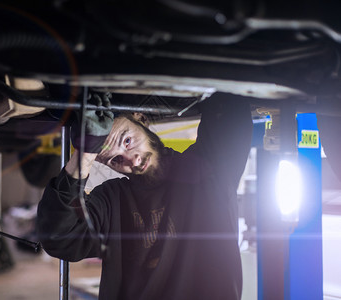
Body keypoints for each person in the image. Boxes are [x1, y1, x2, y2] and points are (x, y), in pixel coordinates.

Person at [37, 93, 253, 300]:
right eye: (114, 160)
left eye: (128, 141)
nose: (132, 161)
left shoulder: (205, 172)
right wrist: (85, 153)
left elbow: (230, 108)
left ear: (141, 118)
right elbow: (60, 238)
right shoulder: (114, 200)